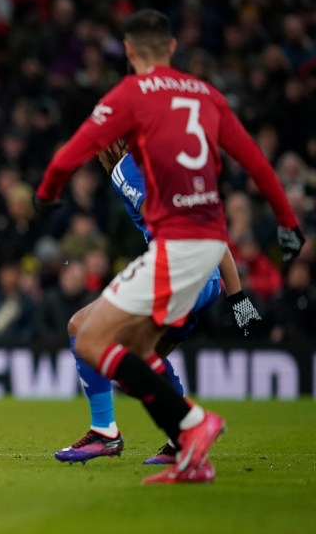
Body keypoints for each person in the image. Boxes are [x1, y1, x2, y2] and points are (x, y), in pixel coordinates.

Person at [34, 9, 304, 485]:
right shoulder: (204, 98)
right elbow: (255, 166)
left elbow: (68, 154)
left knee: (87, 333)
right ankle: (185, 447)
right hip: (203, 267)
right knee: (137, 351)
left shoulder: (129, 129)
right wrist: (282, 225)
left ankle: (137, 430)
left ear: (131, 50)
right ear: (173, 48)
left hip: (180, 264)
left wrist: (47, 193)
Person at [55, 139, 263, 465]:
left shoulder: (126, 169)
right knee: (139, 363)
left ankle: (107, 431)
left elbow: (168, 222)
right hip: (205, 281)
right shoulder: (170, 164)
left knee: (82, 328)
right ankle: (181, 440)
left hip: (176, 274)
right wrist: (238, 298)